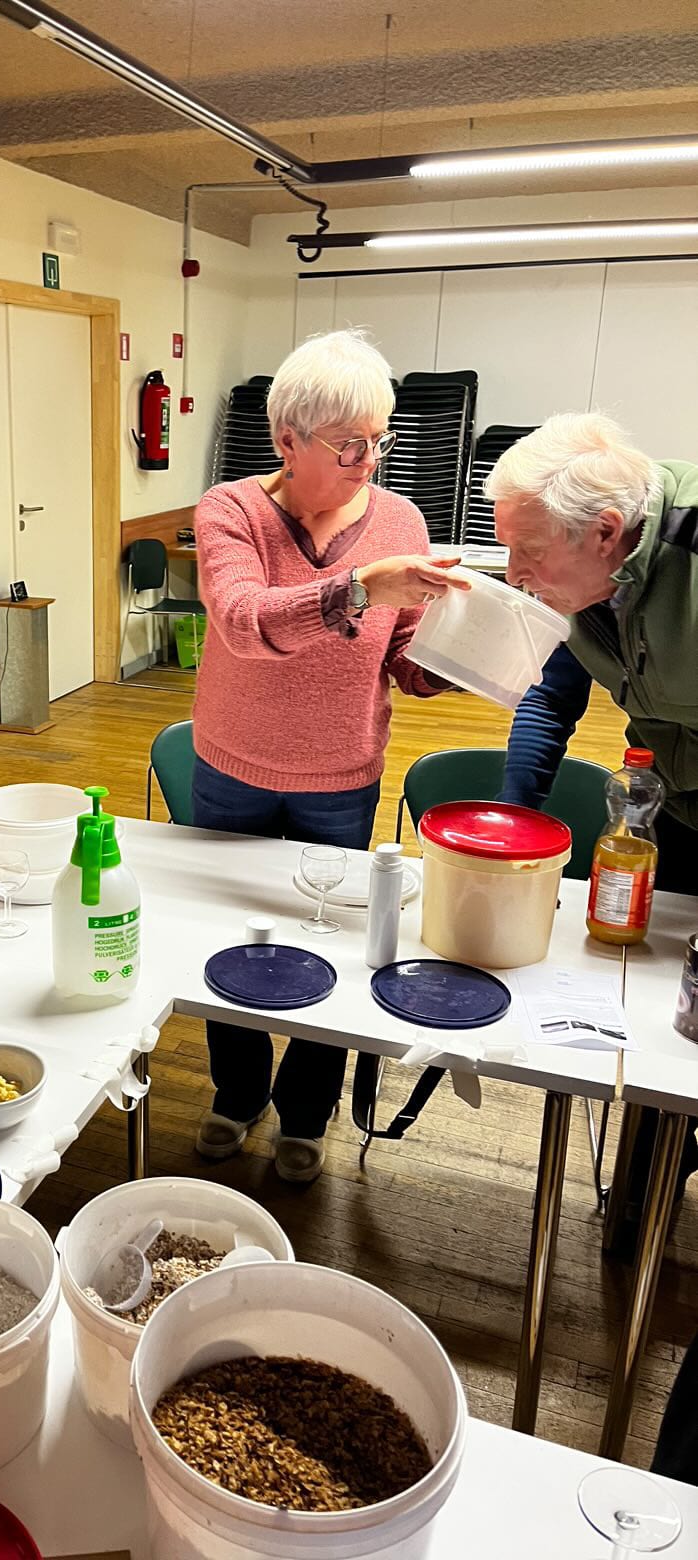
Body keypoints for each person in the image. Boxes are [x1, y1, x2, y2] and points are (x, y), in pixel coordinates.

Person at [191, 328, 468, 1183]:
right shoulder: (231, 511)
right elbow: (243, 622)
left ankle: (307, 1111)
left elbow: (404, 659)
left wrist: (467, 658)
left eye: (380, 439)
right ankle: (239, 1092)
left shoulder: (400, 520)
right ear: (288, 440)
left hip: (342, 778)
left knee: (333, 949)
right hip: (231, 768)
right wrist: (358, 588)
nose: (370, 460)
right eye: (351, 444)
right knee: (230, 943)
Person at [488, 413, 698, 1480]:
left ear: (608, 532)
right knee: (661, 1028)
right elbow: (549, 700)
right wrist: (508, 825)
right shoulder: (587, 586)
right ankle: (647, 1187)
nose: (512, 575)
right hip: (680, 813)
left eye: (527, 554)